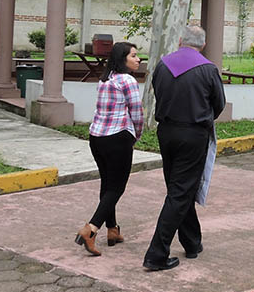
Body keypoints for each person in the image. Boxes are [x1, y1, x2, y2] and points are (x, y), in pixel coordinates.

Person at [142, 25, 226, 272]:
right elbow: (218, 104)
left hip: (166, 132)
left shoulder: (163, 64)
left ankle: (192, 242)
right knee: (180, 191)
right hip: (193, 134)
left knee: (179, 188)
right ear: (203, 44)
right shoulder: (208, 69)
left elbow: (157, 92)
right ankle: (156, 254)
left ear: (180, 41)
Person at [74, 42, 143, 257]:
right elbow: (137, 113)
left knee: (107, 184)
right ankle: (91, 229)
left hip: (97, 137)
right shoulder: (128, 80)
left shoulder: (106, 79)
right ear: (123, 59)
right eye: (134, 55)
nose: (138, 59)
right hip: (118, 138)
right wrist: (136, 135)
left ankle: (113, 230)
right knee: (117, 187)